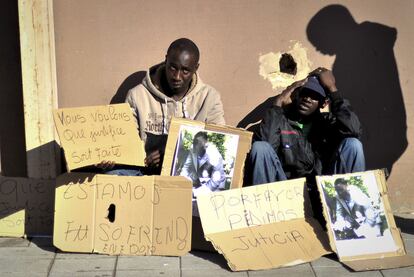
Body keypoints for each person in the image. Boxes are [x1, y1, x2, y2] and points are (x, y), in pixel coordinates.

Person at [104, 38, 225, 175]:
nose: (177, 76)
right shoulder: (137, 95)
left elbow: (218, 145)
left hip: (190, 173)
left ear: (196, 68)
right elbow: (126, 143)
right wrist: (142, 159)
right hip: (145, 172)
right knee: (114, 175)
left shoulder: (210, 97)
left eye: (185, 71)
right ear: (166, 60)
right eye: (173, 67)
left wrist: (174, 154)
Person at [249, 67, 365, 185]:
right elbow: (265, 148)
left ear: (324, 103)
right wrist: (278, 104)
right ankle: (266, 202)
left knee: (353, 144)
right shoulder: (282, 120)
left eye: (315, 96)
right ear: (297, 96)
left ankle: (349, 202)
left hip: (323, 190)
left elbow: (354, 130)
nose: (307, 99)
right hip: (287, 191)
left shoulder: (328, 123)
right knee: (260, 147)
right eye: (305, 94)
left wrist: (333, 89)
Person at [179, 131, 226, 197]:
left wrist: (194, 193)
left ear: (205, 144)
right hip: (200, 185)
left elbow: (215, 182)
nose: (196, 146)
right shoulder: (193, 150)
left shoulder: (214, 154)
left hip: (216, 189)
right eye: (195, 142)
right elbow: (186, 169)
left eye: (199, 143)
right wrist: (180, 183)